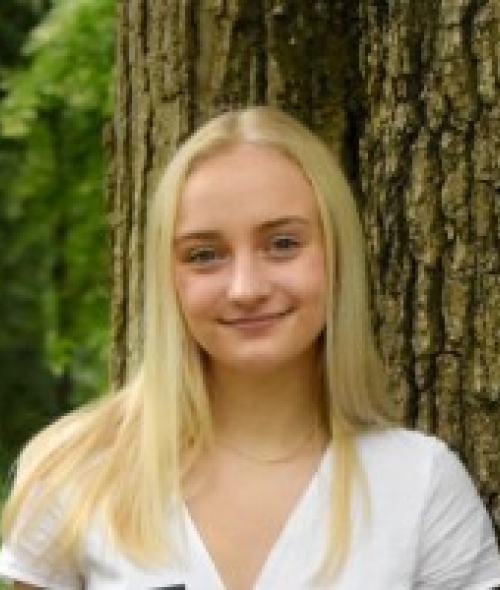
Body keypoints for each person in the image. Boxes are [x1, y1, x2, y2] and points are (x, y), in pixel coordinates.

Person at [1, 106, 499, 590]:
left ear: (337, 255)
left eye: (282, 244)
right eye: (205, 255)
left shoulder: (420, 486)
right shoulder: (78, 473)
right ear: (167, 277)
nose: (245, 288)